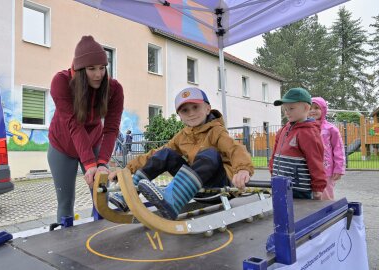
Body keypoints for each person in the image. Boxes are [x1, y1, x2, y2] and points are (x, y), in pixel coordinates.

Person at [108, 87, 254, 220]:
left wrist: (242, 169)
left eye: (195, 107)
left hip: (220, 187)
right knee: (166, 153)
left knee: (209, 153)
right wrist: (127, 169)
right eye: (185, 111)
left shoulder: (217, 131)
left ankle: (172, 200)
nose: (191, 113)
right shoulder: (182, 136)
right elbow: (155, 154)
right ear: (180, 116)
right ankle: (128, 194)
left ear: (208, 108)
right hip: (195, 188)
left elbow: (235, 148)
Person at [48, 35, 124, 223]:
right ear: (81, 69)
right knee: (66, 202)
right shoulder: (61, 82)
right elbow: (74, 124)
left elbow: (111, 128)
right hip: (62, 147)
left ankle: (99, 241)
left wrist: (102, 163)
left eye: (102, 68)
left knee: (101, 198)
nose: (98, 74)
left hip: (94, 143)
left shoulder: (114, 89)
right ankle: (64, 240)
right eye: (91, 69)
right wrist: (89, 165)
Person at [269, 88, 326, 200]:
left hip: (299, 188)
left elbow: (315, 161)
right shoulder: (284, 130)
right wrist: (272, 169)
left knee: (300, 215)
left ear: (306, 108)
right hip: (280, 184)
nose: (287, 112)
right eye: (285, 109)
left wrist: (318, 187)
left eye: (291, 108)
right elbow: (275, 152)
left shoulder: (308, 133)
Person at [309, 97, 346, 200]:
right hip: (309, 169)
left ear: (323, 109)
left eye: (316, 108)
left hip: (327, 170)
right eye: (310, 108)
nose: (312, 111)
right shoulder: (305, 128)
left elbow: (338, 149)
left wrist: (339, 169)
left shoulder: (331, 129)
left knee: (326, 197)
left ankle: (328, 213)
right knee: (310, 198)